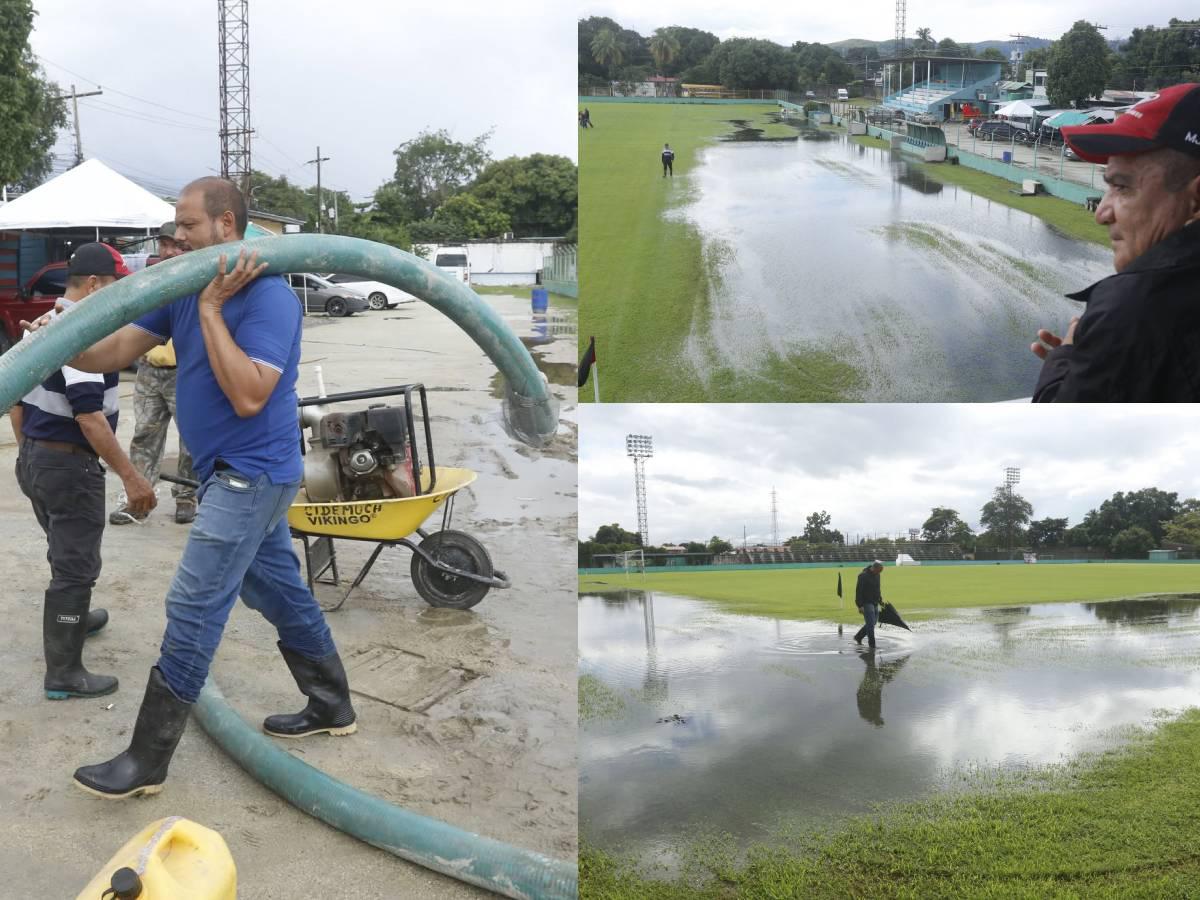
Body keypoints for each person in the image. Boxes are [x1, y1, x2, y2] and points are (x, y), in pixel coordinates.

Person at [27, 177, 357, 800]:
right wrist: (59, 335)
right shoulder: (183, 287)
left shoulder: (269, 298)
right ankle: (332, 702)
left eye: (188, 224)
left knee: (192, 605)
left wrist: (209, 311)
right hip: (222, 472)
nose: (176, 235)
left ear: (225, 226)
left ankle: (147, 759)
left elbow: (250, 393)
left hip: (254, 473)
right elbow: (112, 351)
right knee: (276, 591)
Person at [9, 243, 155, 700]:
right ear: (94, 285)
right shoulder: (81, 333)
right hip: (68, 464)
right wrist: (132, 477)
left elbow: (15, 400)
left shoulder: (46, 323)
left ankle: (74, 618)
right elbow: (89, 417)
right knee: (75, 567)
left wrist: (31, 452)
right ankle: (64, 674)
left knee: (63, 548)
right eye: (114, 287)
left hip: (37, 457)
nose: (119, 298)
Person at [1031, 83, 1200, 401]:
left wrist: (1065, 360)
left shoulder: (1136, 310)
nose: (1102, 214)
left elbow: (1059, 440)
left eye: (1122, 187)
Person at [110, 221, 198, 525]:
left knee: (191, 439)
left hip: (185, 371)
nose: (170, 250)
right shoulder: (149, 281)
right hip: (150, 370)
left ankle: (186, 497)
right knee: (144, 434)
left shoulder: (197, 280)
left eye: (176, 244)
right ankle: (138, 498)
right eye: (164, 244)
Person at [853, 560, 884, 649]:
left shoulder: (877, 575)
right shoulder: (863, 576)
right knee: (870, 624)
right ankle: (872, 645)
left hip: (875, 602)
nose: (879, 573)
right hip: (866, 603)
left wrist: (880, 600)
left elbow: (878, 588)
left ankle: (858, 636)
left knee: (873, 622)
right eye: (879, 571)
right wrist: (860, 606)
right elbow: (858, 592)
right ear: (874, 568)